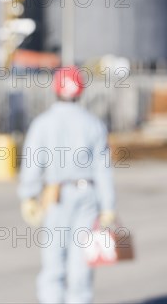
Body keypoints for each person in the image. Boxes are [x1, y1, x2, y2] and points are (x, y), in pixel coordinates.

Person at [18, 66, 116, 304]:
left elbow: (32, 162)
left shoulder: (42, 124)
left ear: (55, 90)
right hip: (88, 195)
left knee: (53, 262)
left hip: (55, 196)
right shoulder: (93, 124)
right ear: (81, 92)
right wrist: (108, 206)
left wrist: (28, 196)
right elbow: (103, 169)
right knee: (81, 263)